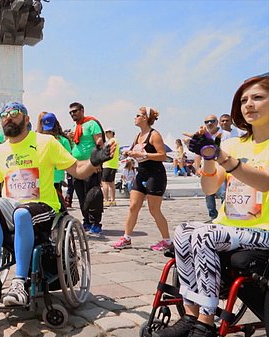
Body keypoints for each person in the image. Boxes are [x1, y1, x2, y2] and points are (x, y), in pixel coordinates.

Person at [0, 102, 114, 306]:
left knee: (22, 213)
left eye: (14, 113)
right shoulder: (0, 150)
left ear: (26, 119)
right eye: (3, 114)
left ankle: (19, 282)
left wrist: (95, 161)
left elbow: (77, 169)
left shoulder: (46, 143)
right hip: (13, 205)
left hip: (43, 207)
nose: (8, 117)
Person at [153, 74, 269, 337]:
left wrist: (224, 158)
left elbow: (264, 183)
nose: (248, 104)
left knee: (206, 234)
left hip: (264, 230)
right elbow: (209, 188)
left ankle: (205, 322)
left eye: (258, 97)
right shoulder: (231, 144)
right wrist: (207, 156)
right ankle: (191, 315)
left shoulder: (229, 150)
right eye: (244, 100)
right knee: (183, 230)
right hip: (231, 228)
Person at [112, 107, 171, 251]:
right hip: (142, 173)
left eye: (137, 115)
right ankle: (126, 238)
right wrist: (128, 153)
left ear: (145, 118)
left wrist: (144, 155)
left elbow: (163, 156)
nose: (135, 118)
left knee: (154, 209)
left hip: (155, 174)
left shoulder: (154, 135)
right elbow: (135, 151)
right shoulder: (138, 135)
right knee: (133, 207)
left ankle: (167, 240)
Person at [68, 102, 105, 235]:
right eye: (71, 112)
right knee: (81, 195)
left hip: (91, 165)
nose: (73, 114)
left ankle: (96, 222)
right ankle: (86, 221)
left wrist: (98, 162)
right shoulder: (76, 126)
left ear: (82, 110)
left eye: (75, 111)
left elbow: (99, 142)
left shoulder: (91, 123)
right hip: (77, 165)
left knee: (93, 195)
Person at [37, 112, 72, 208]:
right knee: (57, 202)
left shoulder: (38, 139)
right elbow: (69, 158)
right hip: (56, 176)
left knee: (43, 202)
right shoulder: (64, 140)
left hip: (44, 177)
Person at [194, 115, 225, 221]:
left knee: (223, 192)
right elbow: (197, 153)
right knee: (209, 194)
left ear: (217, 122)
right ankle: (213, 216)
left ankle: (223, 215)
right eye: (206, 121)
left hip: (221, 167)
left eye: (212, 121)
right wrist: (197, 167)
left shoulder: (223, 134)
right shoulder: (202, 136)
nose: (209, 123)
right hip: (207, 167)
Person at [101, 128, 120, 207]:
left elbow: (105, 149)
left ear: (112, 133)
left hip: (108, 164)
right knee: (111, 182)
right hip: (113, 164)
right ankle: (113, 200)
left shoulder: (112, 140)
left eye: (108, 132)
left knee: (104, 182)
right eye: (106, 132)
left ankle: (106, 200)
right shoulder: (116, 141)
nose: (106, 134)